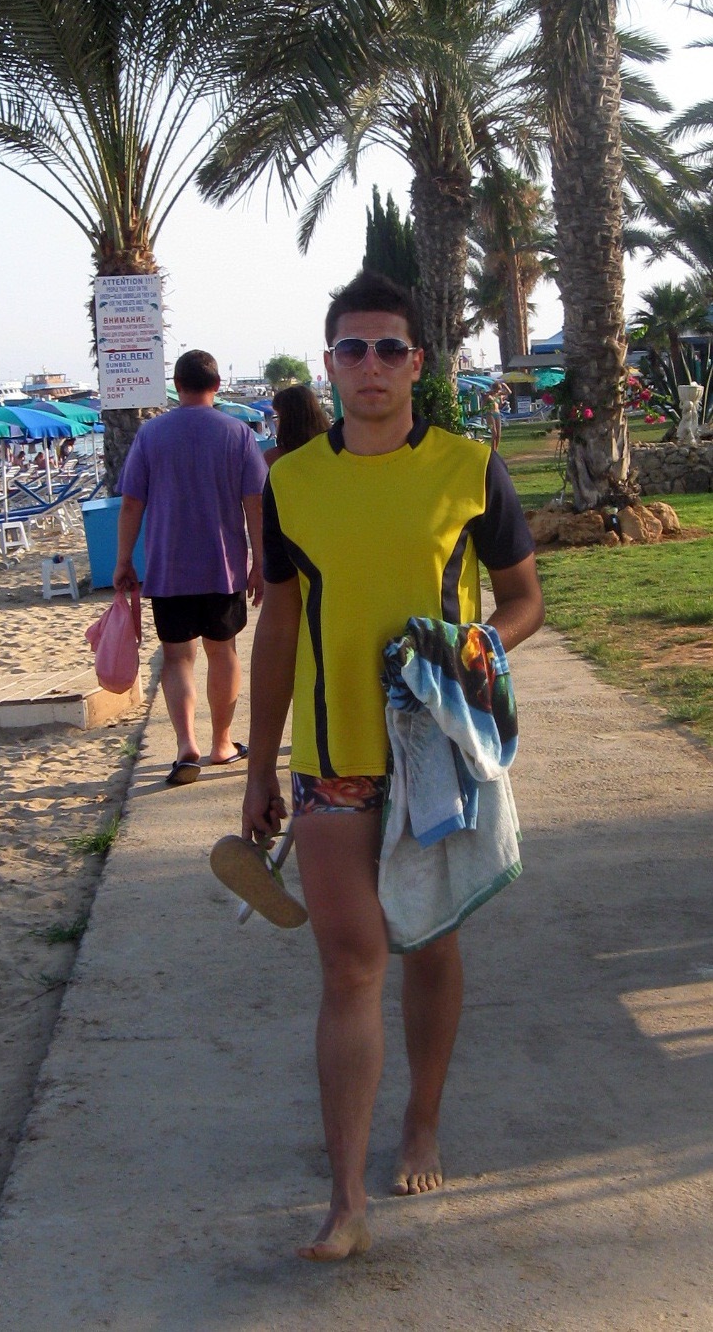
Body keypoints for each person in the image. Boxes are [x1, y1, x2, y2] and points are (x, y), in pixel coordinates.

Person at [243, 270, 544, 1261]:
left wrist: (473, 650)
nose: (369, 365)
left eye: (388, 348)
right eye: (351, 348)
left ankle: (421, 1118)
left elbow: (524, 599)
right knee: (349, 965)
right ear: (329, 363)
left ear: (417, 362)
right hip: (334, 758)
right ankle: (345, 1200)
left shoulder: (469, 469)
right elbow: (278, 625)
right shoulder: (290, 481)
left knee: (429, 944)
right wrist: (258, 764)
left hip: (439, 759)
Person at [114, 349, 267, 784]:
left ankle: (186, 746)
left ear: (177, 386)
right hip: (223, 566)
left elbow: (132, 502)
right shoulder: (238, 434)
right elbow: (254, 503)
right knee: (223, 652)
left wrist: (124, 560)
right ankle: (222, 743)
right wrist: (259, 561)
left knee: (178, 658)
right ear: (216, 385)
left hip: (168, 567)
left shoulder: (151, 434)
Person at [264, 384, 330, 470]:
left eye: (277, 416)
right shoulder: (334, 449)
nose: (275, 422)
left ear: (287, 421)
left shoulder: (274, 458)